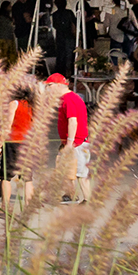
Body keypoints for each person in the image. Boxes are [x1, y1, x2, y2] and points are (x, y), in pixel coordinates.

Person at [51, 73, 90, 203]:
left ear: (58, 85)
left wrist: (69, 143)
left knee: (80, 173)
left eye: (50, 86)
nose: (49, 89)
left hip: (77, 142)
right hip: (73, 141)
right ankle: (70, 195)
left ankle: (87, 200)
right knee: (68, 170)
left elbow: (73, 122)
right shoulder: (68, 98)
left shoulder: (68, 99)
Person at [0, 85, 33, 212]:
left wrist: (0, 144)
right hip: (28, 143)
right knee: (28, 178)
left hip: (13, 141)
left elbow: (8, 125)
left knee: (6, 176)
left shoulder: (14, 104)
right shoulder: (32, 106)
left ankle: (5, 207)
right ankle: (28, 208)